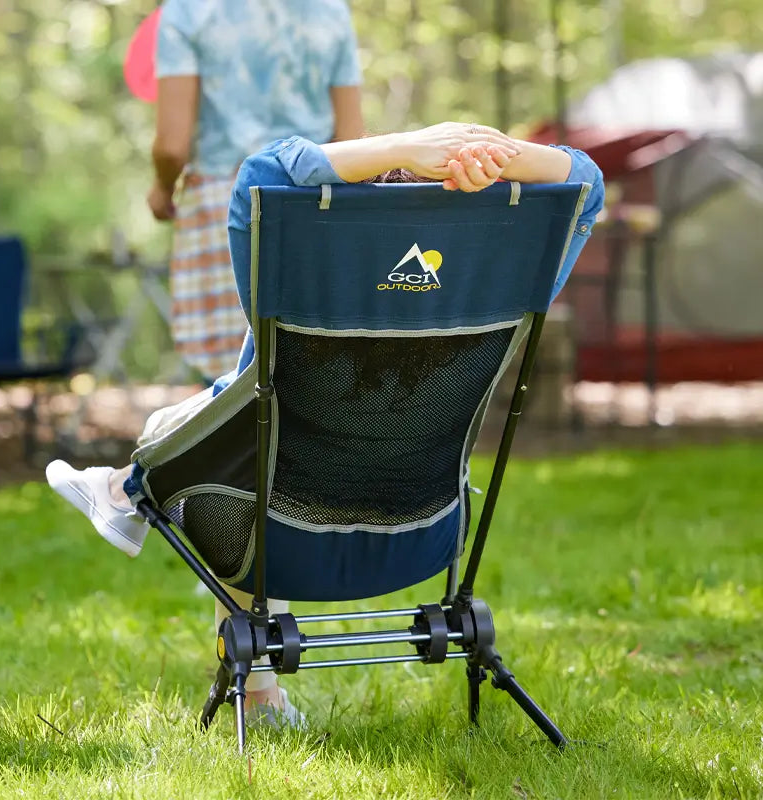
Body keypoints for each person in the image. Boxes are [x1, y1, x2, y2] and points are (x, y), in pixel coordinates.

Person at [48, 121, 604, 727]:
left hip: (281, 541)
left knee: (234, 416)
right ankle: (119, 489)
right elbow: (586, 183)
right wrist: (497, 153)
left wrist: (403, 147)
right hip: (423, 533)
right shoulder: (502, 271)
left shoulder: (308, 273)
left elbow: (267, 173)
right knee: (248, 397)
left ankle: (126, 492)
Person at [149, 0, 364, 382]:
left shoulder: (187, 10)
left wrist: (162, 189)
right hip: (310, 203)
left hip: (222, 200)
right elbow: (350, 140)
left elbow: (171, 147)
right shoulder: (330, 9)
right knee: (303, 367)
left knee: (226, 375)